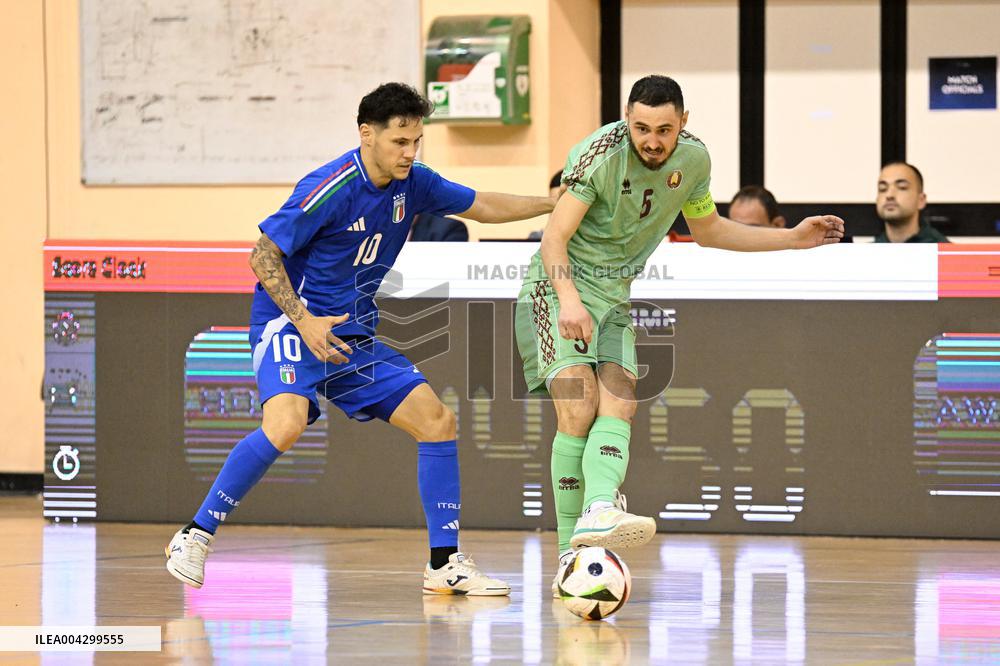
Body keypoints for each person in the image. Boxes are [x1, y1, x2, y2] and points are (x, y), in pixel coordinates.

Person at [166, 82, 556, 595]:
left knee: (438, 421)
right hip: (292, 325)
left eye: (417, 141)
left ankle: (444, 563)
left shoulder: (413, 183)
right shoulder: (329, 186)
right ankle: (195, 534)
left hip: (351, 335)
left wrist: (553, 203)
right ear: (366, 134)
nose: (410, 152)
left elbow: (482, 205)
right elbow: (261, 257)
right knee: (284, 425)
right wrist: (303, 320)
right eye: (400, 141)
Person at [514, 75, 844, 596]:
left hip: (614, 299)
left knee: (621, 400)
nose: (651, 140)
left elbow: (709, 231)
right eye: (641, 127)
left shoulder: (694, 161)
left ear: (682, 123)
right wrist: (571, 302)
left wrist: (792, 240)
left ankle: (599, 511)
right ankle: (567, 557)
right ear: (627, 119)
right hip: (558, 290)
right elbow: (554, 235)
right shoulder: (598, 154)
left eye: (663, 129)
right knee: (577, 409)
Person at [874, 162, 949, 243]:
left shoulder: (945, 252)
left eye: (902, 187)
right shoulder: (866, 254)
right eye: (882, 189)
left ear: (921, 200)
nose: (889, 195)